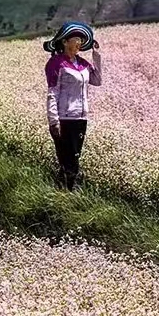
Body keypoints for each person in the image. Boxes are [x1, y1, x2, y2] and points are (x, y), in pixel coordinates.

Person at [43, 22, 103, 191]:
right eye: (76, 39)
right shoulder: (56, 63)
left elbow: (97, 81)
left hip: (81, 116)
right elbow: (52, 93)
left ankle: (66, 190)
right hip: (64, 117)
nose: (79, 43)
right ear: (64, 42)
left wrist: (96, 56)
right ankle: (67, 190)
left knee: (75, 155)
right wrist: (53, 120)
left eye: (81, 40)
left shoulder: (83, 64)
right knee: (66, 157)